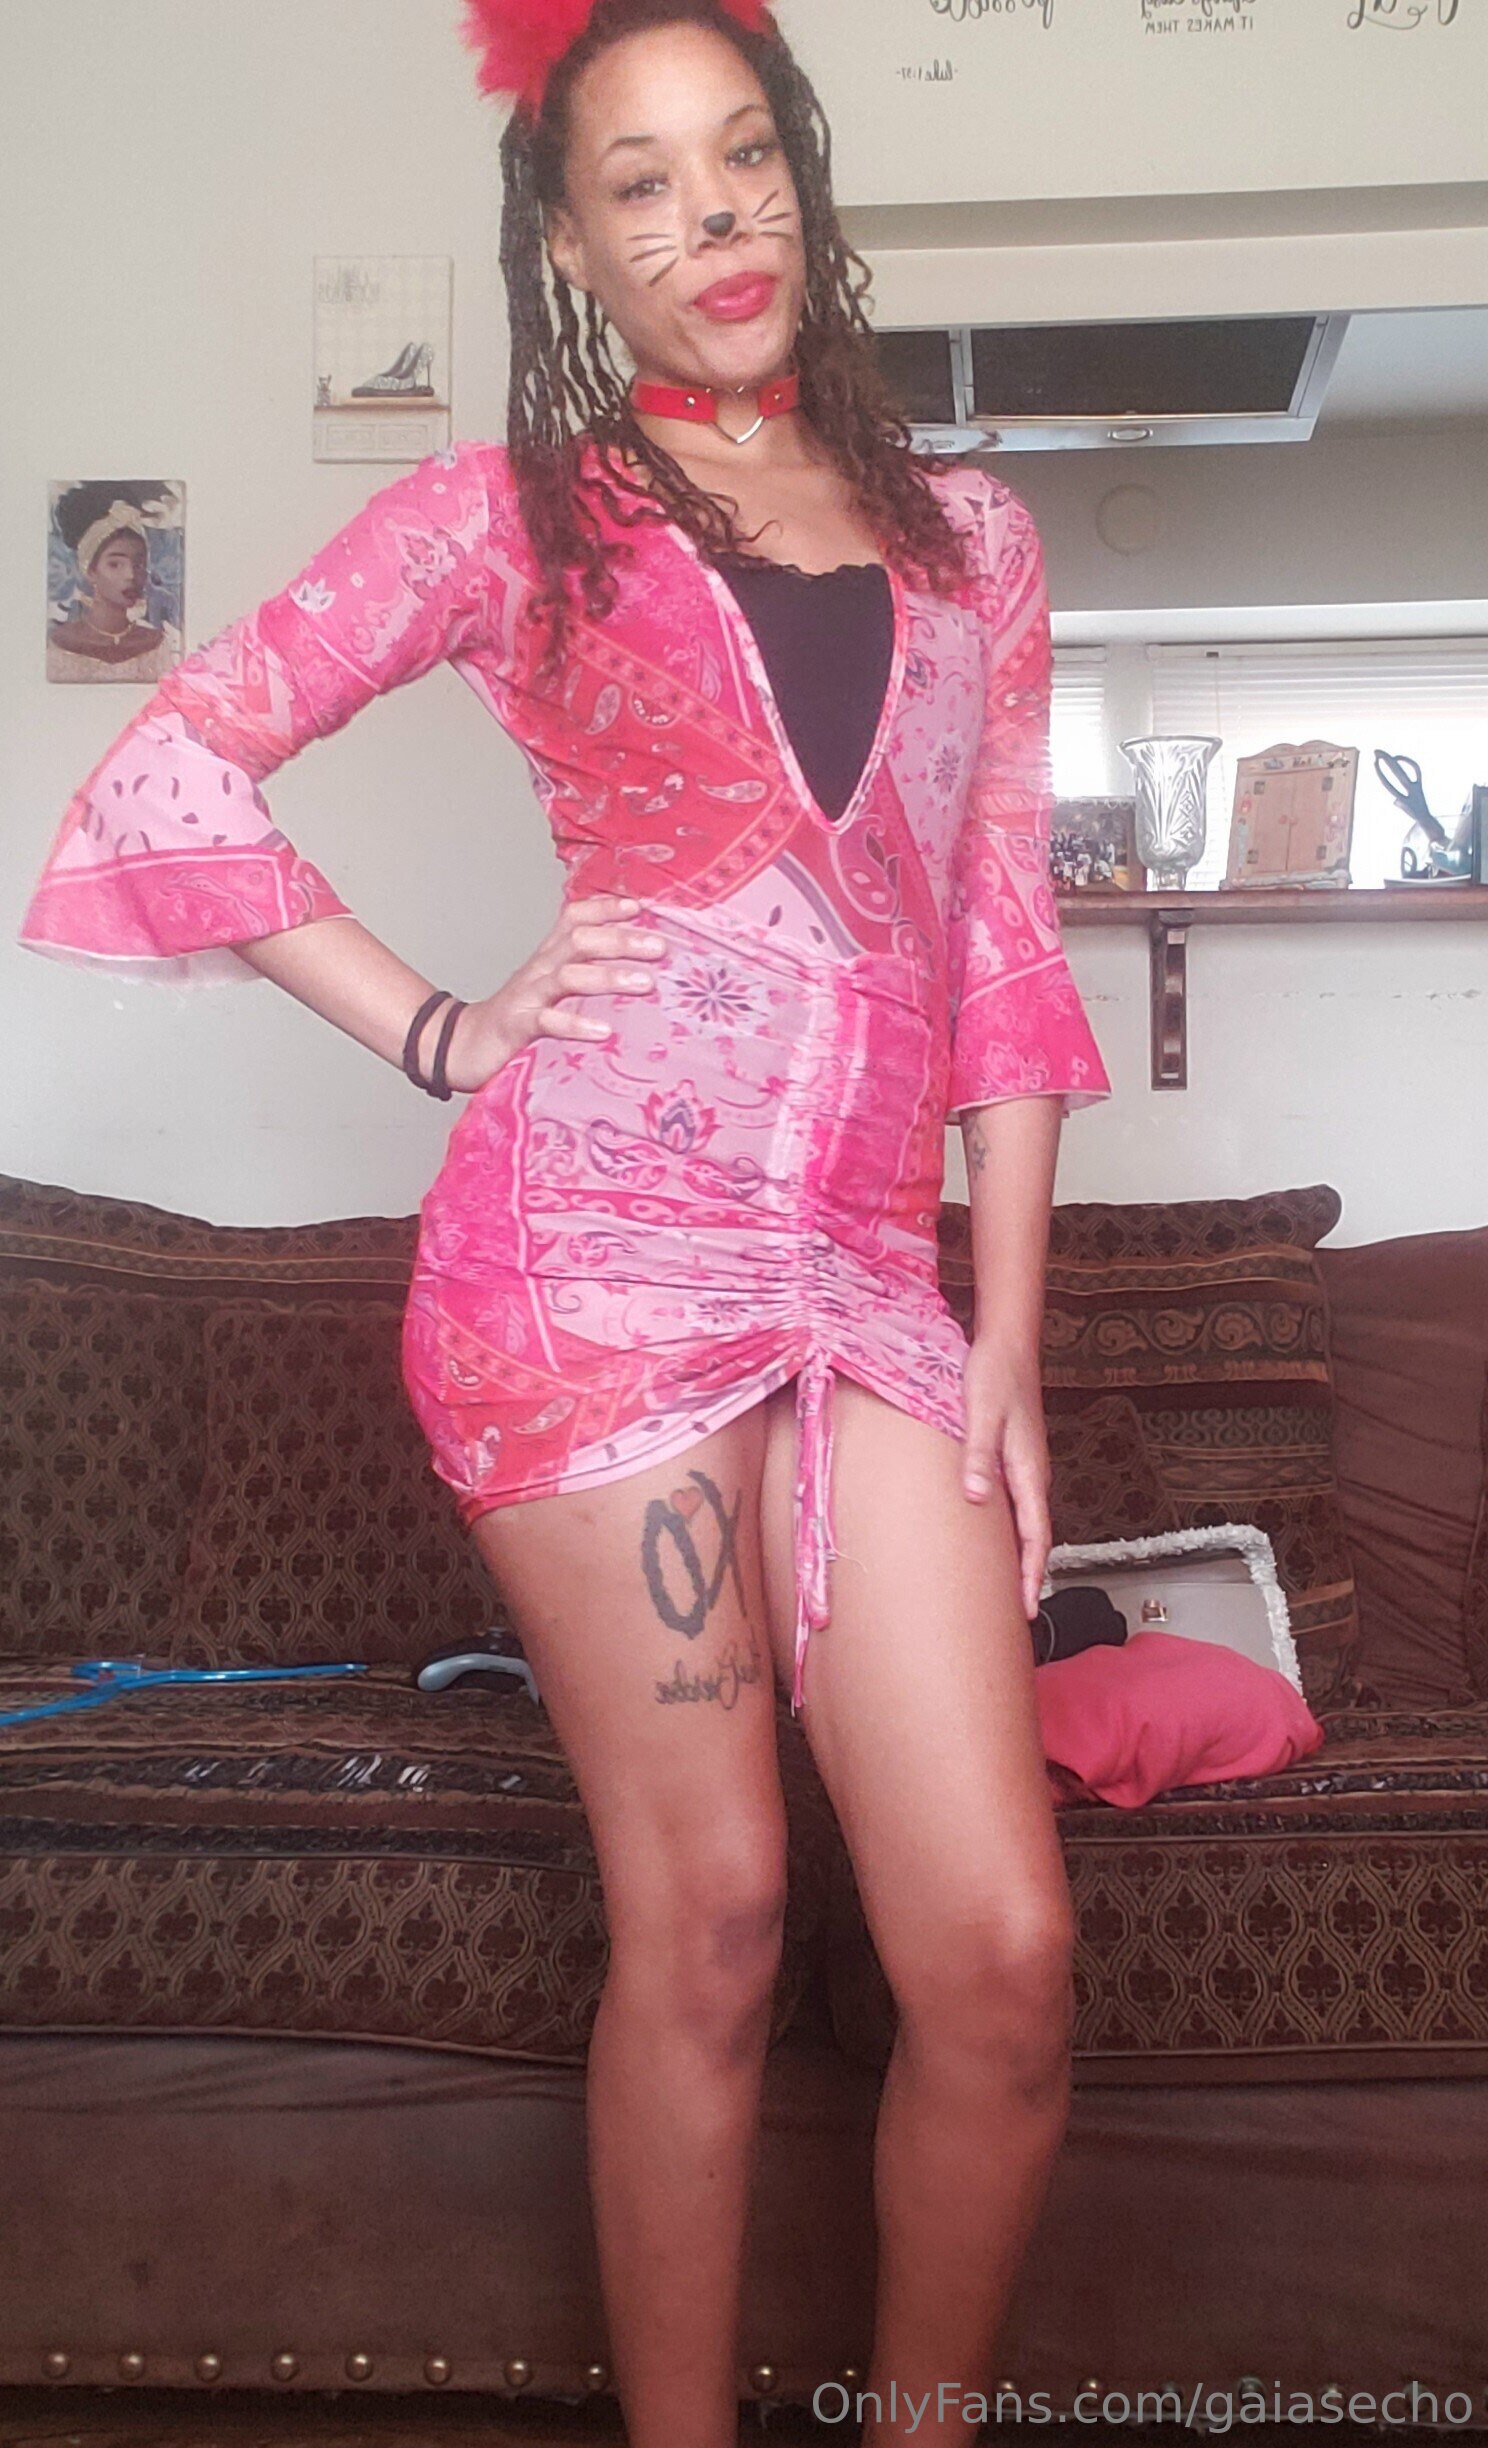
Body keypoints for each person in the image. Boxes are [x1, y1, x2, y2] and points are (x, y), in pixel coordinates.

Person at [19, 0, 1113, 2438]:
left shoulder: (979, 544)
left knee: (1004, 1960)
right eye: (641, 183)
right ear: (571, 247)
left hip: (869, 1282)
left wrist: (1008, 1340)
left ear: (803, 178)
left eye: (744, 157)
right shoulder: (513, 512)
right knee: (712, 1919)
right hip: (588, 1260)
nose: (709, 217)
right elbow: (172, 770)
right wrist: (440, 1026)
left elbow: (1005, 946)